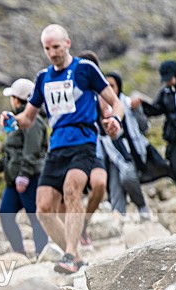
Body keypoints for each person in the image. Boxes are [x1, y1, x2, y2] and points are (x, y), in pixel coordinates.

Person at [6, 24, 123, 275]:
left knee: (72, 191)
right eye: (47, 48)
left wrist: (116, 120)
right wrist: (11, 119)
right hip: (57, 145)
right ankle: (77, 258)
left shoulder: (85, 69)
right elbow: (27, 118)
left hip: (83, 141)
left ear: (67, 43)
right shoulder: (43, 78)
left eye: (56, 47)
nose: (53, 53)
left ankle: (69, 254)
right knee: (43, 208)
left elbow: (114, 101)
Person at [0, 78, 49, 257]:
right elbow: (12, 154)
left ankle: (43, 254)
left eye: (13, 96)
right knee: (5, 215)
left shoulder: (33, 120)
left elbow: (32, 150)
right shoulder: (14, 121)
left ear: (18, 99)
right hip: (14, 180)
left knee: (36, 218)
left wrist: (24, 175)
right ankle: (20, 253)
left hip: (30, 178)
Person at [100, 72, 152, 218]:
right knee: (116, 191)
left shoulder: (128, 104)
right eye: (106, 86)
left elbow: (144, 127)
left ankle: (142, 208)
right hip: (110, 155)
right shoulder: (98, 106)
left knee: (127, 177)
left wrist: (138, 110)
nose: (109, 89)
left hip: (129, 152)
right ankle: (120, 222)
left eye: (112, 86)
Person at [131, 60, 176, 195]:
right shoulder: (165, 93)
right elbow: (156, 109)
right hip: (175, 136)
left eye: (169, 78)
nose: (168, 82)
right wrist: (141, 105)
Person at [75, 50, 109, 247]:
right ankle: (74, 231)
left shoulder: (99, 95)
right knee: (74, 190)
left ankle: (84, 223)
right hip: (72, 149)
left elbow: (106, 119)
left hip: (93, 148)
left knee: (100, 185)